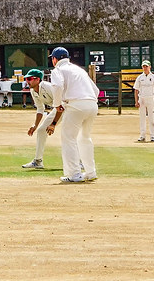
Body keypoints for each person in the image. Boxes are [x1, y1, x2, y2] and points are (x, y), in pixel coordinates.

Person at [48, 47, 100, 183]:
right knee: (85, 138)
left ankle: (74, 174)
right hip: (92, 104)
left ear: (55, 59)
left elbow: (58, 86)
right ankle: (90, 172)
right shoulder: (79, 69)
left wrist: (57, 103)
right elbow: (96, 90)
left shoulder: (58, 70)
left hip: (75, 104)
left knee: (68, 138)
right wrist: (88, 101)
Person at [21, 68, 61, 169]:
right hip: (57, 109)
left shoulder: (48, 87)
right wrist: (35, 125)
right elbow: (40, 109)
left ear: (38, 79)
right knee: (41, 130)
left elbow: (61, 104)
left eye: (30, 79)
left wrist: (53, 124)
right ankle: (38, 161)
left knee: (69, 134)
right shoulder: (33, 91)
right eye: (26, 79)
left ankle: (80, 162)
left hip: (67, 107)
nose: (27, 81)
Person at [134, 59, 154, 143]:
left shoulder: (153, 77)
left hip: (150, 98)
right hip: (141, 99)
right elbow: (136, 90)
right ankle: (142, 135)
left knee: (151, 118)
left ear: (150, 67)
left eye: (146, 66)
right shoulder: (140, 77)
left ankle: (153, 136)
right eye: (143, 66)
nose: (145, 68)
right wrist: (136, 101)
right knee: (142, 118)